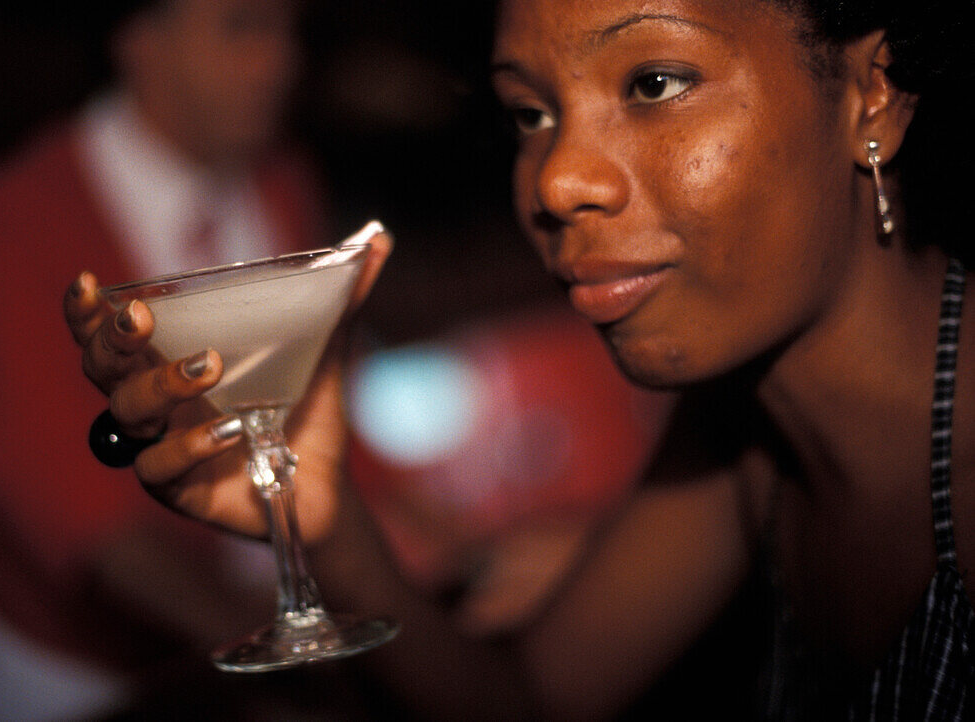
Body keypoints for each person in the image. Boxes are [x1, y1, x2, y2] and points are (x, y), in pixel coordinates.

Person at [63, 0, 975, 718]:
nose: (554, 180)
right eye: (530, 113)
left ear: (872, 96)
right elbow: (525, 703)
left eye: (655, 82)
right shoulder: (745, 441)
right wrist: (326, 520)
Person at [0, 0, 325, 718]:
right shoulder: (17, 218)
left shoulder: (281, 181)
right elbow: (84, 524)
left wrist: (448, 550)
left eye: (288, 29)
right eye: (243, 27)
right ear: (139, 36)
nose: (282, 61)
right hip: (89, 681)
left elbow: (323, 419)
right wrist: (285, 660)